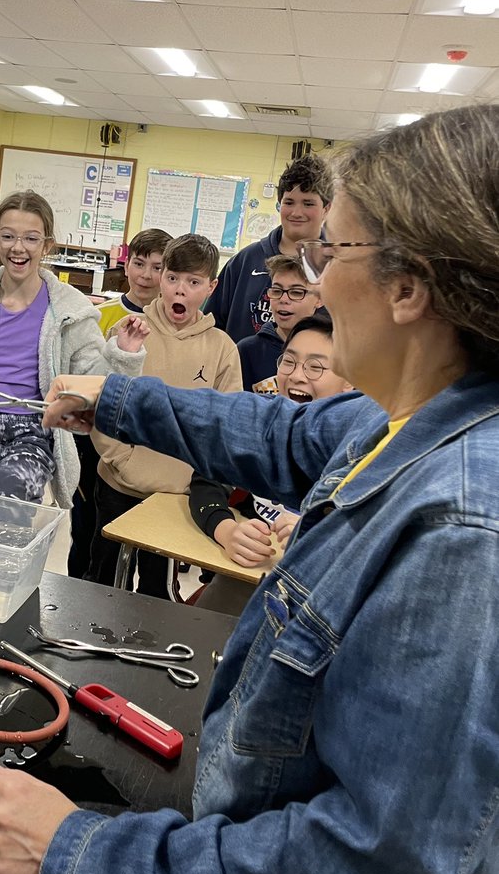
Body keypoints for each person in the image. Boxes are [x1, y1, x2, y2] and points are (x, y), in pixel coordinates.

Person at [0, 105, 499, 874]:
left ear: (409, 287)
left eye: (334, 251)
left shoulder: (465, 533)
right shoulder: (401, 415)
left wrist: (80, 854)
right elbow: (274, 433)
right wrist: (115, 395)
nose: (315, 283)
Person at [0, 190, 147, 507]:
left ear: (47, 245)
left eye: (31, 239)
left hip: (32, 431)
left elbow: (93, 382)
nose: (18, 248)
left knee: (9, 500)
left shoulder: (69, 308)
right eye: (8, 236)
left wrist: (122, 353)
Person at [87, 233, 241, 596]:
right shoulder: (129, 332)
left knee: (156, 589)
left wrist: (193, 479)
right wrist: (120, 457)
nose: (180, 290)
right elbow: (102, 401)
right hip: (116, 484)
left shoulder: (222, 349)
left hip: (176, 496)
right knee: (102, 578)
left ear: (211, 287)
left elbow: (225, 424)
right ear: (162, 279)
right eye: (172, 278)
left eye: (193, 282)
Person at [191, 312, 352, 614]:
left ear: (351, 379)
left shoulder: (365, 447)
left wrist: (318, 535)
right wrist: (225, 530)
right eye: (288, 361)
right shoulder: (258, 422)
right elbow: (206, 480)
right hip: (244, 579)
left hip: (319, 601)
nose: (296, 376)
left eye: (316, 367)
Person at [69, 227, 171, 577]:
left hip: (146, 451)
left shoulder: (172, 322)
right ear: (125, 266)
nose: (146, 275)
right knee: (86, 533)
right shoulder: (101, 315)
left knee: (144, 548)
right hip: (94, 443)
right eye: (139, 264)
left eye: (157, 267)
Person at [206, 153, 331, 342]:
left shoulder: (339, 268)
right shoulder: (245, 261)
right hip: (241, 370)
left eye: (308, 203)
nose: (297, 212)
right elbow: (211, 326)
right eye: (289, 202)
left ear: (326, 209)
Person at [236, 253, 321, 393]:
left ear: (319, 299)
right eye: (276, 291)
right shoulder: (247, 351)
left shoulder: (333, 351)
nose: (284, 299)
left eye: (296, 292)